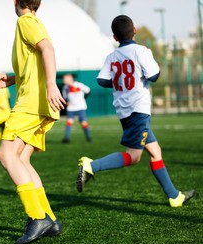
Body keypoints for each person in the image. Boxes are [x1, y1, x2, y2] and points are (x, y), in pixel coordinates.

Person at [76, 15, 196, 207]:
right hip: (138, 110)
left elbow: (101, 80)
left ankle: (174, 196)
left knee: (155, 151)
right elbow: (154, 76)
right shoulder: (141, 51)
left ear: (115, 37)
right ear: (135, 30)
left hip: (124, 112)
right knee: (133, 156)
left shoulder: (112, 56)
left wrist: (119, 81)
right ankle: (92, 166)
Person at [0, 0, 66, 244]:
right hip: (38, 103)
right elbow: (34, 64)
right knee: (21, 159)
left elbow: (47, 49)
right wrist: (12, 79)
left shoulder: (25, 21)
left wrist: (51, 85)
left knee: (6, 155)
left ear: (16, 2)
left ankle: (37, 217)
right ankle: (50, 220)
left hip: (31, 104)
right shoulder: (33, 22)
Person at [61, 73, 91, 143]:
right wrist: (67, 102)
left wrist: (84, 99)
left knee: (83, 123)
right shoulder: (65, 87)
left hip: (81, 107)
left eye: (65, 79)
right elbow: (65, 97)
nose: (64, 80)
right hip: (71, 108)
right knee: (69, 122)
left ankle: (88, 138)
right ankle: (66, 138)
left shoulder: (79, 85)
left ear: (70, 78)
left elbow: (88, 91)